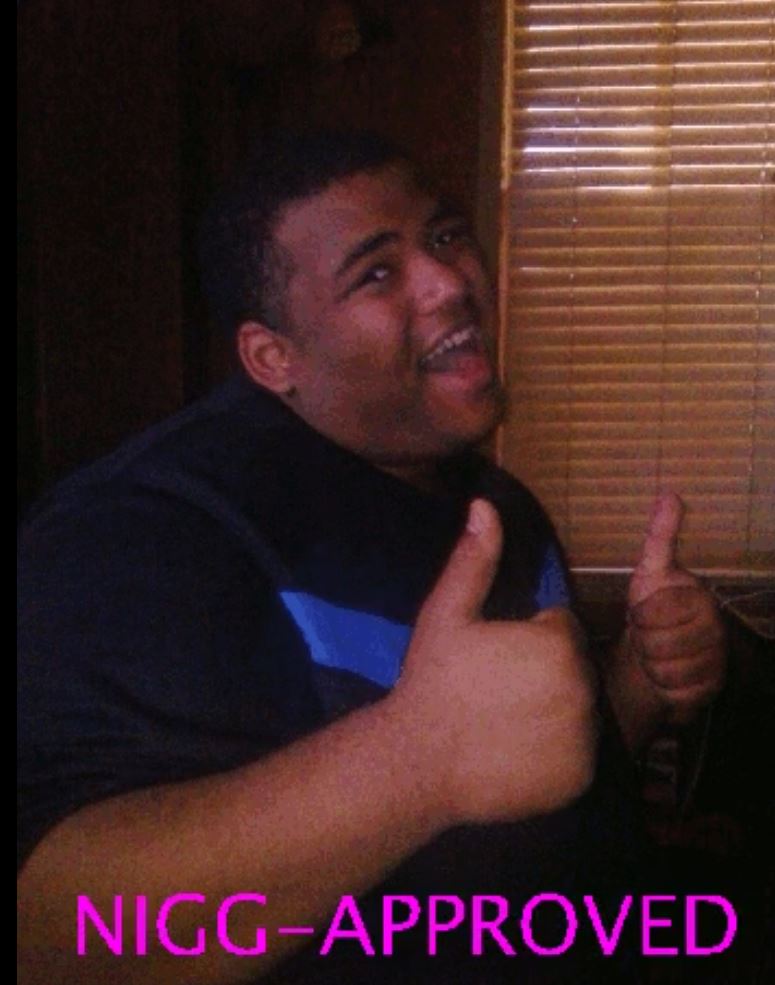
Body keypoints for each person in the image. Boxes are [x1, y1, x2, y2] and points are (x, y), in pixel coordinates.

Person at [18, 130, 725, 985]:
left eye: (444, 235)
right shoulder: (144, 529)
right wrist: (416, 760)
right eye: (376, 272)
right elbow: (56, 934)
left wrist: (636, 684)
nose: (448, 281)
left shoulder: (500, 506)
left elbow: (540, 766)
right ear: (273, 357)